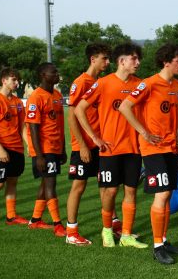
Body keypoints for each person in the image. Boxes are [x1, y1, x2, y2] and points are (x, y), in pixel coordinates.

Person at [119, 43, 178, 264]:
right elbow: (124, 107)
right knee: (162, 195)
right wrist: (143, 132)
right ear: (166, 61)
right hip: (153, 149)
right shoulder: (148, 84)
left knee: (167, 194)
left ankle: (164, 239)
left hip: (171, 147)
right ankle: (158, 246)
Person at [75, 42, 147, 249]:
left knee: (131, 192)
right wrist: (95, 138)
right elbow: (80, 109)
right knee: (110, 192)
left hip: (134, 148)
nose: (138, 62)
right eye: (134, 59)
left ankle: (126, 235)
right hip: (110, 149)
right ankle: (107, 230)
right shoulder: (103, 83)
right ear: (122, 61)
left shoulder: (140, 84)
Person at [65, 43, 111, 246]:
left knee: (106, 185)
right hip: (84, 145)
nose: (107, 62)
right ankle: (71, 232)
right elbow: (72, 116)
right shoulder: (81, 82)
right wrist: (83, 145)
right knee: (78, 186)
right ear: (93, 59)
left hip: (100, 144)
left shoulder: (99, 82)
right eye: (104, 58)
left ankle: (110, 227)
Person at [0, 68, 29, 226]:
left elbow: (23, 126)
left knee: (12, 181)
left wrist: (29, 145)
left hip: (16, 148)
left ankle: (11, 216)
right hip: (0, 148)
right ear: (4, 81)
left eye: (17, 80)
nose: (17, 83)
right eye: (13, 80)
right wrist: (0, 149)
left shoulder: (17, 103)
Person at [25, 62, 67, 237]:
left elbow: (59, 123)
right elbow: (33, 127)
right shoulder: (36, 97)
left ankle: (35, 220)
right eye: (53, 72)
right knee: (51, 183)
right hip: (44, 148)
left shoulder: (57, 95)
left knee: (45, 182)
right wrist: (39, 155)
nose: (57, 74)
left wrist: (63, 149)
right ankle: (58, 224)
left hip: (56, 147)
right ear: (43, 75)